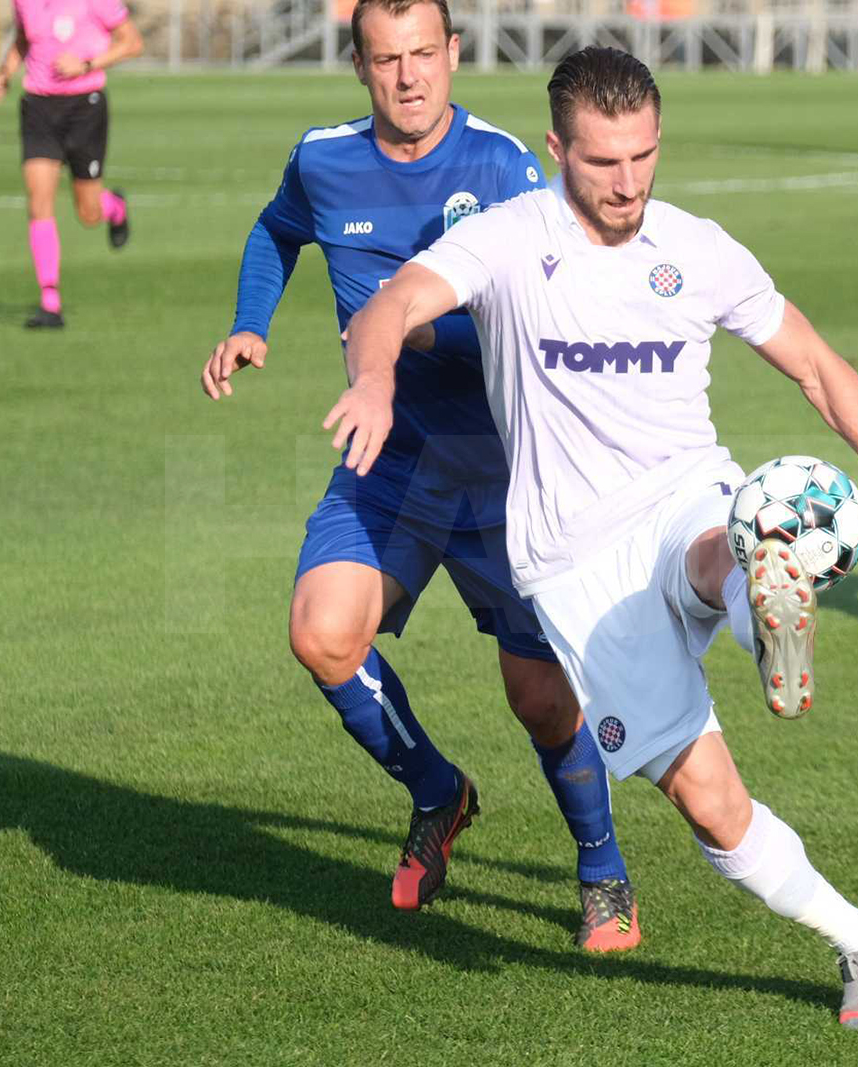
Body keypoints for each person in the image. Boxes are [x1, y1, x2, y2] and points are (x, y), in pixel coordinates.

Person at [325, 46, 858, 1031]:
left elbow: (813, 362)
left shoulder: (700, 247)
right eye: (603, 162)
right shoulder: (507, 240)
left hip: (683, 493)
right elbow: (390, 305)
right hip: (571, 568)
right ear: (557, 149)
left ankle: (762, 600)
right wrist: (375, 377)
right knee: (714, 809)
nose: (628, 181)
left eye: (643, 155)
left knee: (725, 537)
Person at [198, 0, 642, 952]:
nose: (408, 78)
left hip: (503, 472)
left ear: (453, 54)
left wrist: (411, 332)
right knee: (322, 635)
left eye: (424, 56)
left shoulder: (503, 165)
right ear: (359, 66)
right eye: (386, 60)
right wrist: (251, 322)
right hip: (390, 459)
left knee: (542, 699)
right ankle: (441, 793)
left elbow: (561, 296)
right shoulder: (322, 159)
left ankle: (602, 867)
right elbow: (276, 232)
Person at [0, 0, 141, 328]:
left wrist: (87, 64)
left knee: (88, 213)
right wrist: (4, 74)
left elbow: (132, 42)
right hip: (38, 107)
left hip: (85, 107)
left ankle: (115, 208)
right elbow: (24, 39)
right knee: (39, 201)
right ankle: (50, 303)